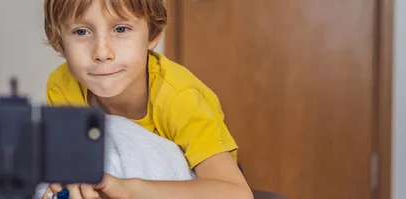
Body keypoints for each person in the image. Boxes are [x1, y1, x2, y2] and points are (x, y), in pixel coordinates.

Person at [43, 0, 253, 198]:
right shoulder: (62, 86)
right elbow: (71, 164)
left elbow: (237, 193)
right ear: (59, 40)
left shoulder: (179, 97)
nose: (102, 53)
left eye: (121, 29)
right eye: (81, 31)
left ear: (153, 34)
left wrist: (129, 190)